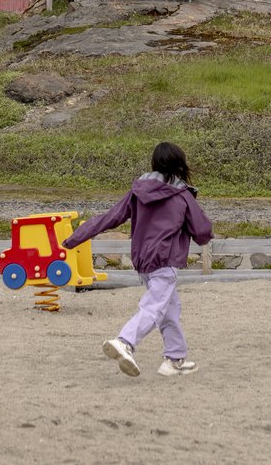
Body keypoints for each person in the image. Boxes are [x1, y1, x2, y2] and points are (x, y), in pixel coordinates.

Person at [63, 141, 213, 377]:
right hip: (165, 260)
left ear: (154, 163)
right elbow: (202, 232)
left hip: (143, 261)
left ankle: (174, 359)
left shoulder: (138, 191)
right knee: (154, 307)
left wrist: (73, 239)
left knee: (169, 308)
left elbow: (110, 217)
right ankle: (125, 342)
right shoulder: (182, 195)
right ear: (180, 164)